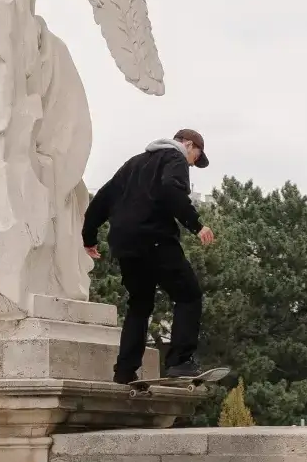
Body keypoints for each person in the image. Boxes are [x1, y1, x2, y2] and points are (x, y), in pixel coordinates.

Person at [82, 130, 215, 383]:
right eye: (195, 158)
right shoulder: (174, 159)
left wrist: (89, 237)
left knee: (140, 304)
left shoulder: (133, 164)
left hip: (125, 244)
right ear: (188, 144)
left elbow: (102, 199)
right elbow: (170, 190)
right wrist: (197, 225)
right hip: (154, 239)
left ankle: (125, 370)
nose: (192, 164)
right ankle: (180, 362)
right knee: (188, 295)